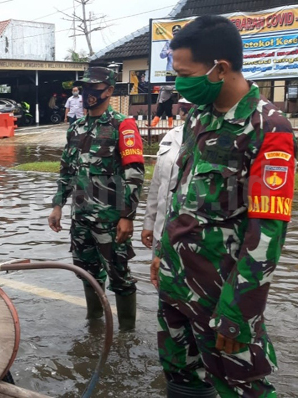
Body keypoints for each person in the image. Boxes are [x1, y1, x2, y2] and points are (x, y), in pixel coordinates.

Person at [150, 15, 296, 398]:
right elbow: (180, 194)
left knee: (241, 384)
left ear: (221, 68)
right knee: (181, 377)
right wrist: (160, 255)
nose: (179, 83)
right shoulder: (200, 116)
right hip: (176, 280)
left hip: (222, 292)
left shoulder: (269, 128)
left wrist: (238, 310)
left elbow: (267, 231)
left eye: (184, 73)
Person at [47, 66, 144, 331]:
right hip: (81, 218)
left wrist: (127, 216)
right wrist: (58, 206)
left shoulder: (122, 125)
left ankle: (126, 334)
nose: (89, 94)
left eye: (95, 89)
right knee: (88, 274)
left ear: (109, 91)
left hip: (111, 219)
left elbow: (135, 173)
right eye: (85, 88)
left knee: (120, 277)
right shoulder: (76, 128)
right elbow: (67, 169)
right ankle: (95, 326)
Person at [141, 99, 193, 250]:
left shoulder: (213, 140)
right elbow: (157, 185)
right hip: (160, 232)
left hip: (192, 239)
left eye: (191, 108)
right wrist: (149, 223)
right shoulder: (171, 136)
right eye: (184, 108)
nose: (187, 112)